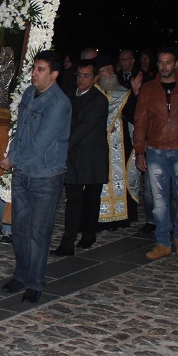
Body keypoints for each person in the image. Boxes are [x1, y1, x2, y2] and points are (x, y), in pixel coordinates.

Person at [0, 50, 71, 303]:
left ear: (54, 74)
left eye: (41, 70)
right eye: (34, 68)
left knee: (38, 232)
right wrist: (12, 155)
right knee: (19, 228)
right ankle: (21, 275)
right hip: (23, 172)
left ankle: (34, 283)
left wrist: (12, 160)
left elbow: (40, 144)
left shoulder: (59, 104)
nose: (34, 74)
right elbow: (20, 132)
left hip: (45, 175)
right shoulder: (30, 93)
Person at [133, 48, 178, 259]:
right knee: (159, 201)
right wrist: (139, 151)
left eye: (168, 62)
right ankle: (163, 242)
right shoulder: (148, 89)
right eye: (161, 62)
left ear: (176, 64)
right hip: (155, 150)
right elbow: (140, 121)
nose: (164, 66)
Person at [54, 59, 107, 255]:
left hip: (92, 156)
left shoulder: (99, 100)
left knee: (92, 198)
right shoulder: (69, 95)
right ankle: (67, 243)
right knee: (73, 198)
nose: (81, 80)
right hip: (74, 156)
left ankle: (89, 234)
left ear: (95, 78)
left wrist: (62, 145)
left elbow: (85, 127)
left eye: (86, 76)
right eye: (79, 75)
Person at [96, 56, 137, 230]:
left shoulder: (123, 93)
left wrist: (135, 93)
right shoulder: (93, 92)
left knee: (121, 178)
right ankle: (100, 218)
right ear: (97, 75)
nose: (111, 73)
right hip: (99, 147)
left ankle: (120, 218)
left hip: (120, 145)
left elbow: (133, 115)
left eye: (111, 69)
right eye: (106, 70)